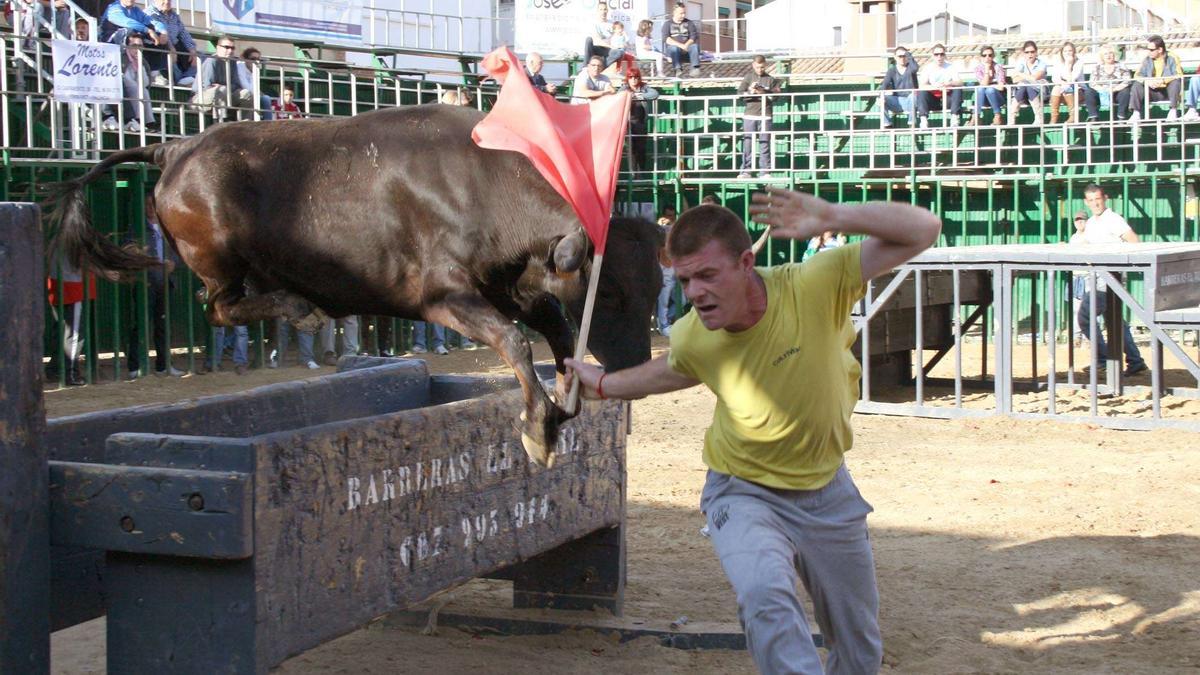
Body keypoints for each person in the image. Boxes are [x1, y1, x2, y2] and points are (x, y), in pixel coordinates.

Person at [565, 192, 941, 675]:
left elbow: (924, 228)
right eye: (683, 280)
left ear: (746, 263)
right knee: (765, 596)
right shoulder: (694, 333)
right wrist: (605, 383)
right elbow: (671, 371)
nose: (695, 292)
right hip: (741, 492)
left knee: (859, 645)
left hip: (827, 492)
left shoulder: (816, 283)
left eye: (706, 275)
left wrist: (834, 216)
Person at [1074, 184, 1147, 377]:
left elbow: (1134, 241)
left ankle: (1104, 359)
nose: (1095, 203)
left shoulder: (1113, 219)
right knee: (1114, 320)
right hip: (1098, 275)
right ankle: (1135, 360)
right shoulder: (1091, 223)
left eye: (1097, 199)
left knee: (1085, 317)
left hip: (1108, 276)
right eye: (1091, 200)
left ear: (1105, 198)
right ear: (1086, 202)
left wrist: (1121, 265)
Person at [126, 193, 184, 379]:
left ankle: (163, 366)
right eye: (147, 204)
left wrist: (174, 263)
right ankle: (135, 367)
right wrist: (145, 260)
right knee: (140, 324)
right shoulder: (136, 227)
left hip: (165, 283)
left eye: (153, 204)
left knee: (163, 325)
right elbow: (127, 249)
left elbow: (180, 250)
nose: (151, 208)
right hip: (146, 283)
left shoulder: (168, 228)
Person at [102, 31, 158, 132]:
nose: (137, 49)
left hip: (134, 89)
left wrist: (139, 65)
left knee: (143, 91)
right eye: (134, 45)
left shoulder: (143, 61)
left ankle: (148, 122)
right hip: (120, 86)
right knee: (135, 88)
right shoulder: (120, 57)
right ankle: (136, 119)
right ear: (127, 46)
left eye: (140, 46)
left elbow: (146, 83)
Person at [736, 55, 781, 179]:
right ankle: (746, 171)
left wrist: (763, 92)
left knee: (764, 143)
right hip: (750, 115)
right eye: (757, 67)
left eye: (762, 67)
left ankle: (765, 171)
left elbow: (776, 97)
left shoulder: (771, 80)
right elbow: (739, 94)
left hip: (765, 115)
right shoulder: (748, 77)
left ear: (765, 65)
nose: (760, 70)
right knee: (748, 143)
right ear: (753, 65)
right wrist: (751, 91)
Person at [192, 36, 252, 120]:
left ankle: (244, 124)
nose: (230, 50)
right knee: (221, 90)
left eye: (232, 48)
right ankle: (220, 124)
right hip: (200, 98)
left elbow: (236, 84)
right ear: (218, 48)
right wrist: (223, 87)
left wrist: (225, 87)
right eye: (226, 47)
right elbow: (207, 86)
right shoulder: (212, 61)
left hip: (226, 95)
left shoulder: (233, 62)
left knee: (246, 93)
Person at [1128, 35, 1184, 123]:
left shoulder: (1172, 57)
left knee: (1175, 82)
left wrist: (1163, 80)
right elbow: (1137, 75)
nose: (1148, 52)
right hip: (1151, 90)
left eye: (1151, 50)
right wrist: (1148, 81)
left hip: (1167, 91)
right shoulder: (1147, 59)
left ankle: (1173, 110)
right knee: (1137, 85)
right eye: (1147, 49)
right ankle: (1136, 113)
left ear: (1160, 50)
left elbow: (1178, 74)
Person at [145, 0, 196, 87]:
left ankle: (186, 78)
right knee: (170, 53)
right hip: (160, 46)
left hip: (175, 46)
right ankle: (177, 81)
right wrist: (170, 47)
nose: (166, 2)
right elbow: (160, 33)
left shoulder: (174, 15)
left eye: (169, 0)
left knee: (199, 56)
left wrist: (192, 48)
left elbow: (183, 32)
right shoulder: (150, 13)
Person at [916, 43, 963, 128]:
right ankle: (923, 120)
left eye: (941, 54)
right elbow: (921, 85)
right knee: (921, 93)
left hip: (948, 99)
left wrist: (949, 84)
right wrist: (935, 87)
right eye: (936, 54)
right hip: (933, 100)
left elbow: (960, 82)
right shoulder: (928, 68)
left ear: (944, 55)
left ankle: (954, 119)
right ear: (932, 56)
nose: (939, 57)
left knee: (958, 89)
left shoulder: (951, 67)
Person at [1082, 43, 1132, 122]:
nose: (1108, 56)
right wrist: (1103, 90)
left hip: (1116, 92)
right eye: (1105, 54)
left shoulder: (1121, 66)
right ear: (1102, 56)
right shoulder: (1097, 67)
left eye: (1110, 53)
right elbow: (1092, 83)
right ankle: (1093, 116)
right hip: (1101, 92)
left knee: (1126, 92)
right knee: (1089, 92)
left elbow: (1127, 81)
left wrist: (1114, 89)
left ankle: (1121, 116)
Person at [623, 68, 659, 171]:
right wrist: (630, 96)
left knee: (641, 149)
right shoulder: (624, 88)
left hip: (641, 123)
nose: (633, 80)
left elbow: (655, 94)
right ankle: (632, 174)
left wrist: (640, 96)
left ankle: (641, 174)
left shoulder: (644, 87)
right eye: (631, 77)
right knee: (631, 150)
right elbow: (619, 95)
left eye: (636, 77)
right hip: (628, 124)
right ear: (628, 79)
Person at [1008, 40, 1048, 125]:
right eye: (1027, 52)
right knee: (1024, 87)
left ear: (1036, 52)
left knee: (1028, 86)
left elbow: (1035, 77)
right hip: (1024, 93)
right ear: (1023, 53)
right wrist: (1027, 77)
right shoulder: (1021, 64)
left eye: (1032, 52)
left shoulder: (1042, 64)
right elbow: (1014, 79)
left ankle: (1038, 117)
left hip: (1040, 92)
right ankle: (1012, 116)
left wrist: (1020, 74)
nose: (1030, 54)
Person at [879, 45, 918, 129]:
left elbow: (915, 69)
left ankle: (912, 124)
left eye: (904, 56)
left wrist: (910, 56)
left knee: (913, 95)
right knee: (882, 98)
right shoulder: (892, 70)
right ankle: (887, 124)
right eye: (900, 56)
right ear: (895, 57)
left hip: (911, 101)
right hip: (897, 101)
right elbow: (884, 85)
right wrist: (880, 97)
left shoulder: (910, 67)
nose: (902, 58)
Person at [655, 205, 678, 337]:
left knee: (683, 300)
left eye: (671, 216)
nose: (668, 220)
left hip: (673, 275)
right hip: (662, 274)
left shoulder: (676, 232)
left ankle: (665, 320)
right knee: (663, 301)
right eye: (667, 216)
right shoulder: (660, 231)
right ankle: (663, 325)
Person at [661, 3, 700, 78]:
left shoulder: (689, 23)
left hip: (686, 48)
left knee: (694, 46)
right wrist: (681, 46)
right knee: (674, 48)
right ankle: (678, 69)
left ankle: (695, 68)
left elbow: (693, 36)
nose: (683, 15)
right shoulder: (667, 24)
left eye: (684, 13)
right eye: (681, 13)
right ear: (674, 13)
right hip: (673, 50)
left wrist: (686, 45)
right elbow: (666, 39)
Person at [1048, 42, 1084, 124]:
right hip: (1063, 92)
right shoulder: (1058, 62)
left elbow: (1071, 79)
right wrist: (1062, 83)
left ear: (1074, 52)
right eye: (1065, 51)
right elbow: (1054, 78)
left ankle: (1073, 115)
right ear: (1062, 53)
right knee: (1057, 88)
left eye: (1070, 51)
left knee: (1066, 87)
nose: (1067, 53)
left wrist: (1068, 64)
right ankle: (1054, 117)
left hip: (1079, 91)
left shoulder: (1079, 63)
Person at [969, 45, 1005, 126]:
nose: (987, 57)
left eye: (990, 55)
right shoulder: (978, 69)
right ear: (981, 57)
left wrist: (991, 86)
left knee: (990, 90)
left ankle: (997, 116)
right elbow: (984, 84)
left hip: (998, 98)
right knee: (980, 89)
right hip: (984, 99)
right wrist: (987, 69)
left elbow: (1001, 87)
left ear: (993, 56)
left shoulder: (998, 67)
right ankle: (976, 117)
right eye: (984, 55)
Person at [236, 47, 274, 120]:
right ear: (245, 59)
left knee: (266, 98)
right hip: (240, 95)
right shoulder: (240, 66)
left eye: (258, 59)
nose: (256, 61)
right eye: (253, 59)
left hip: (251, 94)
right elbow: (244, 85)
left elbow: (255, 86)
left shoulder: (255, 68)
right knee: (252, 96)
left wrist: (259, 93)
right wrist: (258, 93)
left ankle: (267, 123)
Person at [582, 3, 622, 69]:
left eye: (605, 9)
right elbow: (597, 40)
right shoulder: (594, 23)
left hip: (607, 50)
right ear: (597, 11)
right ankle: (585, 67)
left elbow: (616, 37)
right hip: (595, 48)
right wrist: (611, 46)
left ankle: (600, 67)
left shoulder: (612, 24)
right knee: (588, 39)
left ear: (607, 11)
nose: (603, 12)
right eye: (601, 9)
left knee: (619, 52)